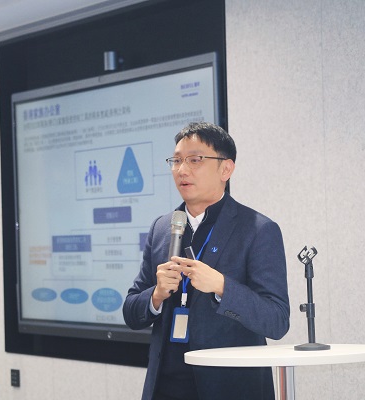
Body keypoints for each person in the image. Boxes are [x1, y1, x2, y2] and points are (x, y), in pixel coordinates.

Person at [123, 122, 290, 400]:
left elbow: (277, 321)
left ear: (226, 169)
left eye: (195, 160)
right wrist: (156, 295)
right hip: (165, 389)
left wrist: (223, 287)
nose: (182, 170)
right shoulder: (162, 228)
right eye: (176, 160)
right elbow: (131, 311)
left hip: (231, 389)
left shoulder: (258, 229)